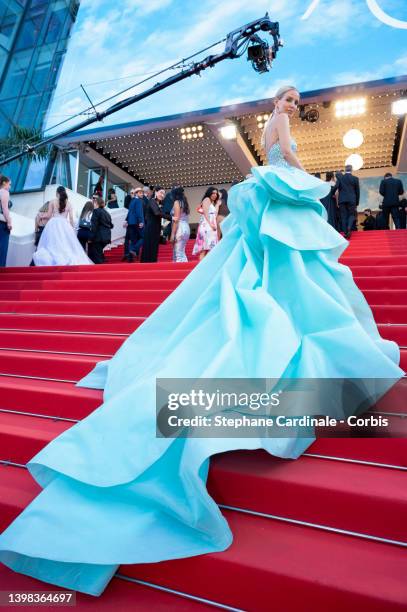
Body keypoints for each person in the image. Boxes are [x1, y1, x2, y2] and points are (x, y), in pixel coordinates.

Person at [0, 85, 403, 597]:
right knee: (269, 285)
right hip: (278, 193)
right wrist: (299, 171)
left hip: (271, 202)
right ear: (280, 100)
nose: (293, 104)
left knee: (272, 277)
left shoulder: (274, 126)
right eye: (290, 98)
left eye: (296, 100)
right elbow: (286, 155)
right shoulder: (278, 124)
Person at [33, 186, 92, 266]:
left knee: (53, 243)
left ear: (57, 193)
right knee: (64, 243)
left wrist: (41, 216)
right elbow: (71, 218)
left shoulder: (52, 202)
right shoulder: (69, 204)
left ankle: (54, 258)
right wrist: (72, 228)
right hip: (64, 224)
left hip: (53, 224)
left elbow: (49, 215)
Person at [140, 187, 170, 263]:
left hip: (155, 228)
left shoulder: (157, 203)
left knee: (154, 247)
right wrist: (171, 217)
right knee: (150, 247)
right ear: (156, 192)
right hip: (151, 228)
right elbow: (157, 213)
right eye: (161, 192)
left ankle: (151, 263)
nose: (162, 195)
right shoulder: (152, 201)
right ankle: (147, 264)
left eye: (163, 194)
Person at [192, 187, 219, 260]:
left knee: (208, 248)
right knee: (204, 249)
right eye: (213, 193)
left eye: (216, 193)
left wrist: (217, 205)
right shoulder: (207, 199)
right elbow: (206, 214)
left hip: (210, 226)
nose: (215, 195)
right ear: (209, 193)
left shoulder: (211, 202)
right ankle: (202, 268)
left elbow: (214, 215)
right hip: (207, 226)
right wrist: (210, 224)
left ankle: (204, 267)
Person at [336, 164, 360, 239]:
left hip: (342, 200)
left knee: (343, 216)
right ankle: (349, 228)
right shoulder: (355, 178)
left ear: (345, 170)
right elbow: (357, 191)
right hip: (352, 200)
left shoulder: (340, 178)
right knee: (352, 215)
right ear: (351, 169)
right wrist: (357, 202)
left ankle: (346, 232)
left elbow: (336, 187)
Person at [88, 197, 114, 264]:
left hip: (99, 238)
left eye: (94, 202)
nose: (93, 204)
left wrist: (90, 238)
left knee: (96, 256)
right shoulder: (106, 213)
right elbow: (111, 225)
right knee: (99, 254)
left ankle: (99, 270)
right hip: (106, 237)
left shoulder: (96, 211)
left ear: (96, 203)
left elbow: (94, 226)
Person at [170, 186, 190, 262]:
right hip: (185, 227)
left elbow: (176, 219)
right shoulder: (184, 203)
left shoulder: (177, 202)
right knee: (181, 252)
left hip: (180, 228)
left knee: (178, 254)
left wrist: (172, 234)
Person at [124, 187, 144, 262]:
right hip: (136, 223)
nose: (142, 194)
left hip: (131, 223)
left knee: (133, 240)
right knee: (144, 238)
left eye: (142, 192)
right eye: (140, 193)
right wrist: (141, 221)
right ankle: (133, 249)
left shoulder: (132, 201)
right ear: (137, 193)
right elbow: (139, 212)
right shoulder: (138, 201)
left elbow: (129, 212)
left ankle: (131, 254)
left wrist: (126, 220)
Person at [0, 175, 12, 266]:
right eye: (9, 184)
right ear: (4, 183)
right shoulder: (4, 192)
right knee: (2, 247)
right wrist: (9, 222)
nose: (10, 187)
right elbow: (5, 209)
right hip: (2, 222)